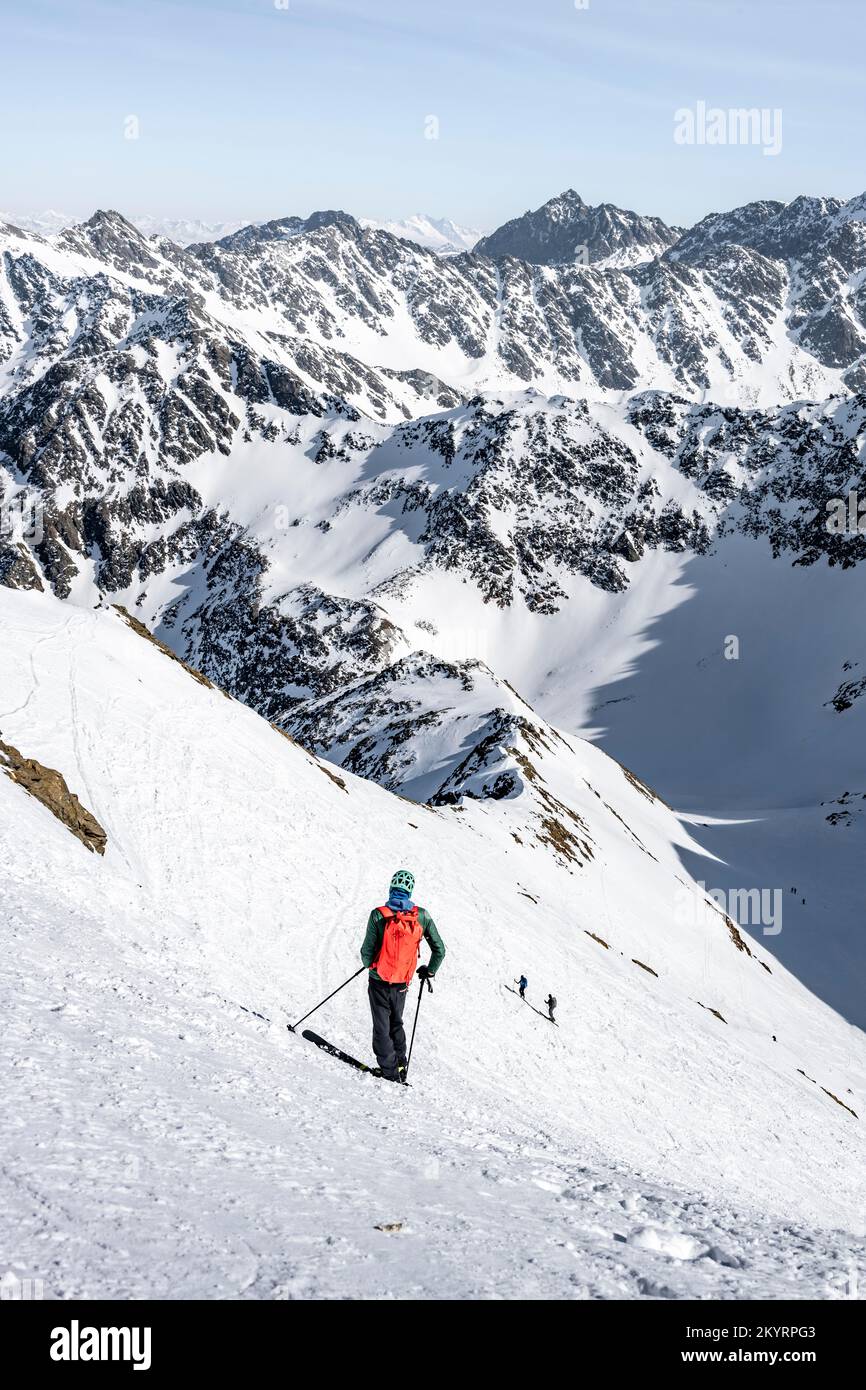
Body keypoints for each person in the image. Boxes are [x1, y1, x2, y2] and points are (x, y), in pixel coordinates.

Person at [360, 869, 446, 1083]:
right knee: (396, 1023)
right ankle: (400, 1064)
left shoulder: (379, 914)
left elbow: (366, 953)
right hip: (402, 982)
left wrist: (371, 966)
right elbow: (440, 949)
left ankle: (389, 1073)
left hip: (379, 980)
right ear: (410, 891)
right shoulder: (421, 916)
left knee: (382, 1026)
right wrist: (430, 970)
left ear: (391, 888)